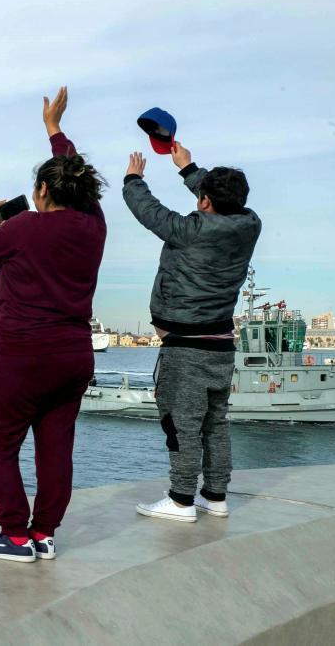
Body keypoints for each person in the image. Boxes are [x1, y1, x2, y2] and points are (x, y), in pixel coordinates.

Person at [0, 87, 107, 563]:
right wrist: (55, 132)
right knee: (55, 446)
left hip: (25, 357)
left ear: (42, 191)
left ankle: (14, 534)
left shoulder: (23, 228)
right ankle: (44, 532)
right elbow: (77, 176)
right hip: (74, 356)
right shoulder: (93, 226)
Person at [124, 142, 261, 522]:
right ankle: (215, 496)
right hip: (221, 346)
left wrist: (133, 179)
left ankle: (181, 499)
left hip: (185, 347)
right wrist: (188, 169)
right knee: (215, 423)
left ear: (203, 203)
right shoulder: (250, 224)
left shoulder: (191, 229)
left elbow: (149, 213)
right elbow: (221, 199)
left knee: (181, 423)